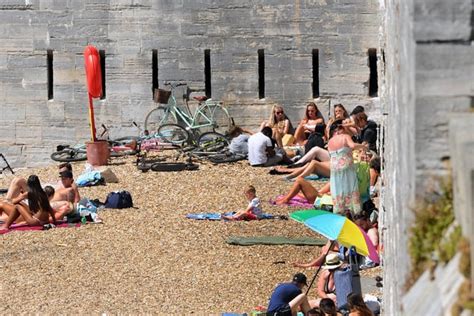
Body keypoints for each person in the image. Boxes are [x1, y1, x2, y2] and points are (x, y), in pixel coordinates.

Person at [327, 120, 366, 214]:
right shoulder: (345, 136)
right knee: (350, 187)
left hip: (334, 168)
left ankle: (339, 210)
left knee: (338, 188)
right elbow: (352, 145)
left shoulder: (330, 141)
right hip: (346, 165)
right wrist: (363, 146)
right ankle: (355, 212)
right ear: (341, 128)